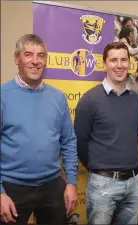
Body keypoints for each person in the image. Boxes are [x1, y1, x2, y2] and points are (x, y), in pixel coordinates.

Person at [0, 34, 78, 224]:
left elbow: (68, 141)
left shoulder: (58, 97)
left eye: (41, 56)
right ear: (17, 58)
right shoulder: (3, 96)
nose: (35, 61)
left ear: (46, 60)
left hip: (52, 187)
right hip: (12, 189)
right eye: (28, 55)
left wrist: (71, 182)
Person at [74, 41, 138, 225]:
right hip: (103, 184)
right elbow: (81, 141)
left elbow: (135, 135)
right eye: (113, 60)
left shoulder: (136, 100)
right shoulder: (89, 100)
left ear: (129, 64)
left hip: (133, 183)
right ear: (104, 64)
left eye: (123, 60)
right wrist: (99, 168)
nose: (119, 65)